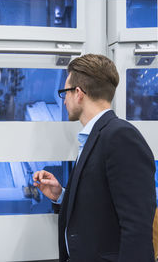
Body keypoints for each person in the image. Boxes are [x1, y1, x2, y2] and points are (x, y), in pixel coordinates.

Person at [33, 54, 156, 262]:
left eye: (65, 93)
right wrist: (61, 195)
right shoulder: (96, 136)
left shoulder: (120, 136)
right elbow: (100, 206)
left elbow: (137, 227)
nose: (64, 101)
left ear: (79, 93)